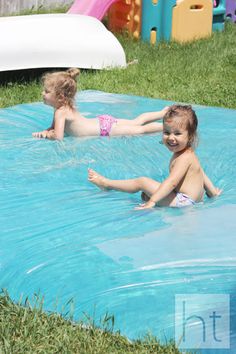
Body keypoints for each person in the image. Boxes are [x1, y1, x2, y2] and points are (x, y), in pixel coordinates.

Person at [88, 105, 222, 209]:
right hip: (193, 200)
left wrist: (153, 201)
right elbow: (201, 173)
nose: (171, 137)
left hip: (183, 201)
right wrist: (212, 192)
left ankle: (107, 184)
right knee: (146, 193)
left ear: (190, 136)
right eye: (166, 132)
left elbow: (172, 182)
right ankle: (152, 198)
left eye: (177, 133)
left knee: (142, 182)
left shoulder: (183, 158)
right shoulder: (189, 154)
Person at [32, 68, 168, 140]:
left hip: (105, 130)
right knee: (136, 121)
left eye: (47, 91)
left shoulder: (60, 112)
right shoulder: (61, 109)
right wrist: (46, 130)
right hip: (103, 122)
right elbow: (53, 127)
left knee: (140, 130)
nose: (43, 93)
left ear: (60, 97)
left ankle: (167, 127)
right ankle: (162, 113)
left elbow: (59, 137)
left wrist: (48, 135)